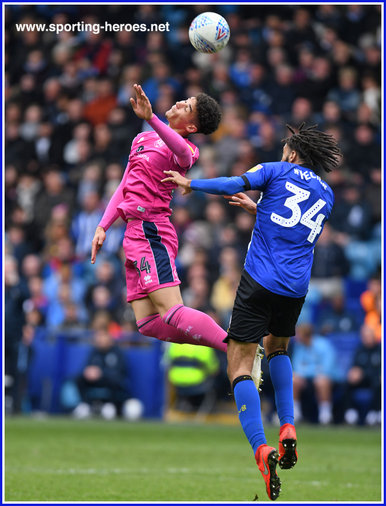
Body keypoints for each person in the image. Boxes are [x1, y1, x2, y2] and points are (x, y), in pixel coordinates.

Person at [162, 123, 341, 500]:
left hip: (259, 280)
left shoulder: (276, 170)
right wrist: (260, 210)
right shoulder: (327, 194)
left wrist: (191, 184)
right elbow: (290, 228)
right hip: (294, 288)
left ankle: (261, 449)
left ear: (292, 152)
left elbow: (231, 184)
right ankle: (288, 425)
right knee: (278, 349)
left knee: (239, 365)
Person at [90, 84, 263, 387]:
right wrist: (104, 225)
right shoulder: (142, 138)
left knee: (172, 311)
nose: (181, 102)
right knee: (147, 323)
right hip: (131, 233)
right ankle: (232, 346)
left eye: (187, 106)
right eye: (184, 100)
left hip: (152, 230)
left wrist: (152, 117)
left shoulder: (186, 150)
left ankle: (237, 346)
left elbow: (183, 152)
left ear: (192, 126)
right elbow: (124, 185)